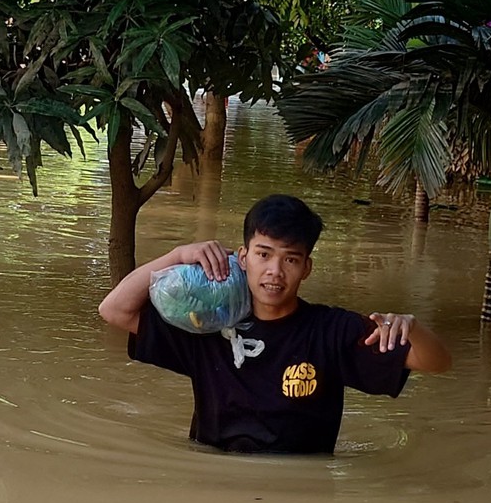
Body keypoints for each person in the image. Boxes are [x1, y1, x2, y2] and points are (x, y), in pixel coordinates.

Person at [99, 194, 451, 455]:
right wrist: (177, 256)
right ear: (242, 257)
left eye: (290, 259)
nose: (275, 272)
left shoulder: (331, 331)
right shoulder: (208, 325)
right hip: (214, 483)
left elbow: (438, 363)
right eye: (263, 254)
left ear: (306, 268)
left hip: (300, 499)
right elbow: (114, 309)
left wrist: (411, 327)